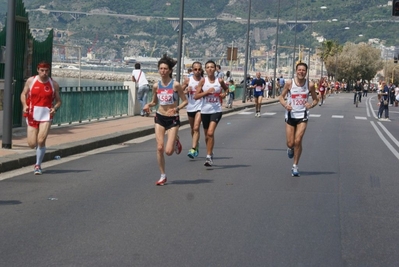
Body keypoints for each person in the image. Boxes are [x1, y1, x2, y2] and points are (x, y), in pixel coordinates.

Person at [143, 54, 188, 186]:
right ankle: (163, 175)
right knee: (160, 147)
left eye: (165, 68)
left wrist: (177, 109)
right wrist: (148, 105)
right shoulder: (156, 86)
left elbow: (185, 101)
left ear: (169, 70)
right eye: (160, 68)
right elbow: (154, 101)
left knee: (169, 152)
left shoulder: (176, 85)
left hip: (173, 119)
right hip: (160, 117)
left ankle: (176, 141)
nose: (162, 71)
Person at [20, 61, 62, 175]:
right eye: (42, 70)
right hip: (32, 113)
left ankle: (38, 165)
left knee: (41, 140)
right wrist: (25, 105)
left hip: (46, 114)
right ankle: (38, 150)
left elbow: (58, 101)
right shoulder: (31, 81)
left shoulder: (54, 84)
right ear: (38, 70)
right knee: (32, 144)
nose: (44, 73)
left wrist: (55, 108)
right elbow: (23, 94)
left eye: (47, 71)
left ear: (49, 71)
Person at [279, 62, 318, 177]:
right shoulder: (289, 83)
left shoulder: (310, 85)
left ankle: (295, 166)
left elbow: (316, 99)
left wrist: (311, 105)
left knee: (298, 140)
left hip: (303, 116)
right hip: (291, 115)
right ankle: (290, 148)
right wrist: (286, 105)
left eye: (303, 70)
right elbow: (281, 97)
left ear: (306, 72)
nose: (301, 72)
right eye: (299, 70)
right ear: (296, 71)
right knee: (290, 143)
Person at [194, 60, 229, 167]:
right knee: (206, 136)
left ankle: (208, 157)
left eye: (212, 67)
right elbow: (196, 96)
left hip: (216, 110)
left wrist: (224, 94)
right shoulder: (203, 81)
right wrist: (206, 92)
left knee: (210, 133)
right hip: (205, 111)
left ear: (215, 69)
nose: (210, 69)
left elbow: (228, 89)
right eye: (208, 67)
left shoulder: (219, 81)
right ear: (206, 69)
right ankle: (210, 151)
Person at [181, 61, 203, 159]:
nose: (197, 71)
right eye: (195, 69)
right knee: (192, 129)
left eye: (199, 69)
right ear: (192, 70)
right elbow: (179, 91)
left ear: (201, 70)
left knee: (196, 127)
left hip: (201, 106)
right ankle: (196, 143)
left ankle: (193, 148)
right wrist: (186, 91)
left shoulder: (204, 80)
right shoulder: (188, 80)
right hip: (190, 107)